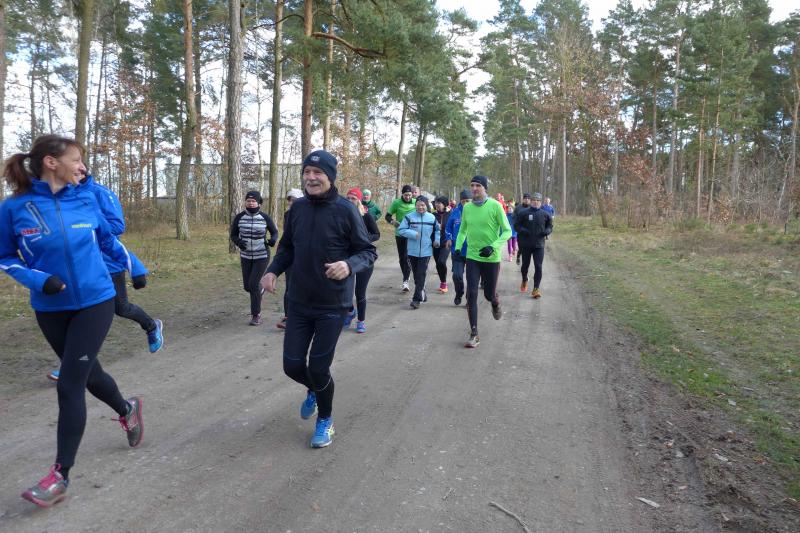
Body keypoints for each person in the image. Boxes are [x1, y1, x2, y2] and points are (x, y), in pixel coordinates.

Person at [1, 135, 144, 507]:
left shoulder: (85, 198)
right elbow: (5, 257)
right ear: (52, 162)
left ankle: (59, 477)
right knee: (89, 374)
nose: (82, 166)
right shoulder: (13, 207)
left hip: (96, 300)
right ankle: (127, 409)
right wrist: (38, 280)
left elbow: (108, 241)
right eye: (76, 159)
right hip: (50, 306)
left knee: (69, 383)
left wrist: (136, 267)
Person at [261, 150, 376, 448]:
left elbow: (367, 251)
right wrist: (272, 271)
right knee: (291, 365)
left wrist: (348, 265)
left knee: (318, 368)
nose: (311, 178)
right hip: (299, 301)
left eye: (318, 173)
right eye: (307, 173)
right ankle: (315, 389)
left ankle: (325, 419)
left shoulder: (346, 210)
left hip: (332, 305)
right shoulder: (297, 209)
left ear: (330, 177)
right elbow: (287, 248)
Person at [48, 174, 161, 382]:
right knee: (80, 312)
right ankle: (72, 363)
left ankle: (151, 326)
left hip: (109, 264)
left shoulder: (101, 193)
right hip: (84, 264)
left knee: (121, 308)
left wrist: (86, 224)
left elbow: (117, 226)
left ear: (81, 172)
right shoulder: (63, 196)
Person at [454, 176, 511, 348]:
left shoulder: (495, 206)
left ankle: (495, 302)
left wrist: (493, 247)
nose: (474, 188)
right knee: (471, 294)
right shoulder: (467, 208)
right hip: (473, 257)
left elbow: (507, 231)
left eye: (478, 185)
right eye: (472, 185)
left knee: (488, 294)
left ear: (485, 188)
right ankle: (474, 334)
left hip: (491, 258)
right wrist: (458, 248)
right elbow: (462, 230)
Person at [230, 190, 278, 326]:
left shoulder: (264, 217)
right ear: (245, 202)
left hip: (261, 255)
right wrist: (239, 242)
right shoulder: (239, 217)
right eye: (248, 201)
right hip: (246, 256)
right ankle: (260, 289)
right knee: (248, 286)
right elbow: (233, 235)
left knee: (253, 284)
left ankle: (256, 315)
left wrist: (272, 240)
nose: (251, 203)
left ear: (259, 203)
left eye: (253, 201)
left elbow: (274, 232)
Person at [345, 188, 380, 333]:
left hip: (364, 258)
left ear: (359, 201)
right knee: (345, 291)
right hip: (347, 259)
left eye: (353, 198)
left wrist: (364, 240)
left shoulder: (366, 216)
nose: (350, 201)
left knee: (360, 292)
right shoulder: (342, 216)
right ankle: (350, 311)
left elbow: (376, 234)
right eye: (348, 198)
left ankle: (361, 321)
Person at [398, 195, 440, 309]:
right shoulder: (409, 217)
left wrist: (437, 240)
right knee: (416, 275)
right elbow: (401, 230)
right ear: (415, 205)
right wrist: (413, 234)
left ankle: (416, 299)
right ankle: (422, 292)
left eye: (422, 205)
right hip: (412, 251)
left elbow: (437, 230)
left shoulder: (431, 218)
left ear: (426, 205)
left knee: (421, 274)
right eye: (418, 205)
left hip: (426, 251)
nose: (420, 207)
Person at [513, 192, 553, 298]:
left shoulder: (545, 214)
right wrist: (524, 231)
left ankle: (536, 289)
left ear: (541, 202)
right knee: (525, 266)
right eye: (534, 200)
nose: (536, 202)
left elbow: (550, 226)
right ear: (531, 201)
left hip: (539, 245)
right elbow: (516, 225)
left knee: (538, 266)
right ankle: (524, 279)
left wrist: (547, 231)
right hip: (526, 244)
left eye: (538, 200)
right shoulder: (523, 213)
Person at [276, 188, 303, 330]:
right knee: (290, 286)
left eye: (294, 200)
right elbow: (287, 236)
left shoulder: (308, 213)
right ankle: (288, 317)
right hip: (291, 255)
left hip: (306, 256)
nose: (291, 202)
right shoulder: (287, 214)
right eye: (290, 200)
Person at [385, 185, 416, 292]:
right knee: (402, 258)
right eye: (405, 195)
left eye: (409, 195)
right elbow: (387, 216)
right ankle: (406, 276)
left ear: (412, 194)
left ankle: (405, 281)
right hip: (400, 233)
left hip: (411, 233)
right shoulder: (396, 203)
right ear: (402, 194)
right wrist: (393, 222)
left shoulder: (415, 202)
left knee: (407, 256)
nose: (408, 197)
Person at [445, 189, 471, 306]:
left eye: (468, 201)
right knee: (457, 275)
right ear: (460, 201)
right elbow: (448, 227)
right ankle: (459, 293)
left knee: (471, 278)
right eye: (463, 201)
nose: (466, 203)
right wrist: (449, 238)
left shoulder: (476, 211)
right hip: (457, 249)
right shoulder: (455, 212)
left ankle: (469, 299)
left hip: (472, 250)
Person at [432, 196, 450, 293]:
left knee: (441, 262)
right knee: (438, 264)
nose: (437, 205)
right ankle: (442, 281)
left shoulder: (449, 215)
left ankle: (444, 283)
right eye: (436, 203)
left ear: (444, 204)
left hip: (446, 243)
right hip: (435, 243)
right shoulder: (432, 215)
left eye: (439, 203)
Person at [513, 193, 531, 265]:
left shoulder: (532, 208)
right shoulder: (518, 208)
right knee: (521, 247)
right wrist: (517, 227)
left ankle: (525, 263)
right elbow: (514, 218)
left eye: (528, 199)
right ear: (523, 199)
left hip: (529, 231)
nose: (527, 200)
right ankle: (518, 256)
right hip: (520, 231)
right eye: (525, 198)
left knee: (527, 248)